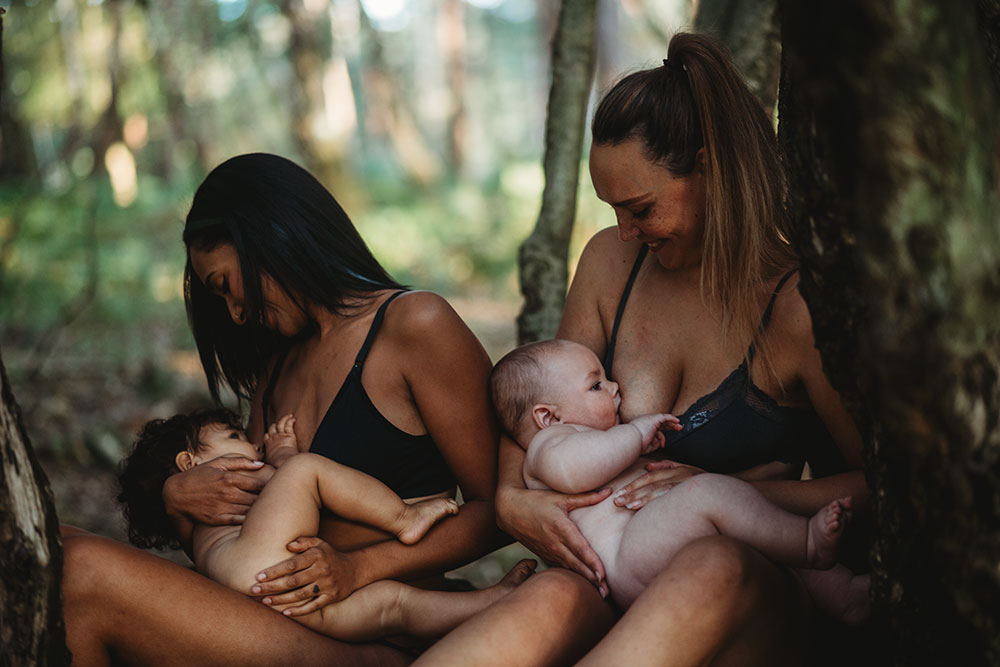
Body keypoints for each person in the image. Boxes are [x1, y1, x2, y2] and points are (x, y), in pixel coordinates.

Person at [416, 31, 869, 667]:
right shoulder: (612, 262)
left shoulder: (796, 307)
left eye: (641, 208)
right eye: (613, 210)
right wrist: (516, 501)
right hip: (614, 570)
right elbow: (536, 412)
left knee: (713, 564)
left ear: (709, 167)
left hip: (751, 590)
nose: (625, 231)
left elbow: (881, 484)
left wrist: (712, 493)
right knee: (547, 600)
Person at [61, 152, 508, 665]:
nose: (234, 313)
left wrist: (358, 570)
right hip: (279, 621)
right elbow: (239, 547)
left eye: (226, 286)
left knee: (86, 572)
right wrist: (176, 494)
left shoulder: (414, 325)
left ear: (268, 235)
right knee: (58, 543)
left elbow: (498, 509)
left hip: (378, 629)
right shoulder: (275, 373)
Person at [490, 338, 869, 620]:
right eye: (596, 386)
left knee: (758, 530)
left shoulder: (581, 435)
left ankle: (844, 594)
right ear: (548, 417)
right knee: (708, 492)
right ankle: (807, 543)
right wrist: (635, 436)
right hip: (628, 556)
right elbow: (576, 471)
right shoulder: (549, 445)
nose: (614, 387)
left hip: (653, 540)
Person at [116, 408, 535, 642]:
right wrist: (282, 454)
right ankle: (404, 517)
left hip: (266, 593)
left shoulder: (192, 528)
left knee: (394, 606)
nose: (251, 442)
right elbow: (274, 481)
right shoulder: (213, 479)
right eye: (234, 435)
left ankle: (489, 602)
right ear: (189, 464)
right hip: (261, 566)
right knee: (305, 470)